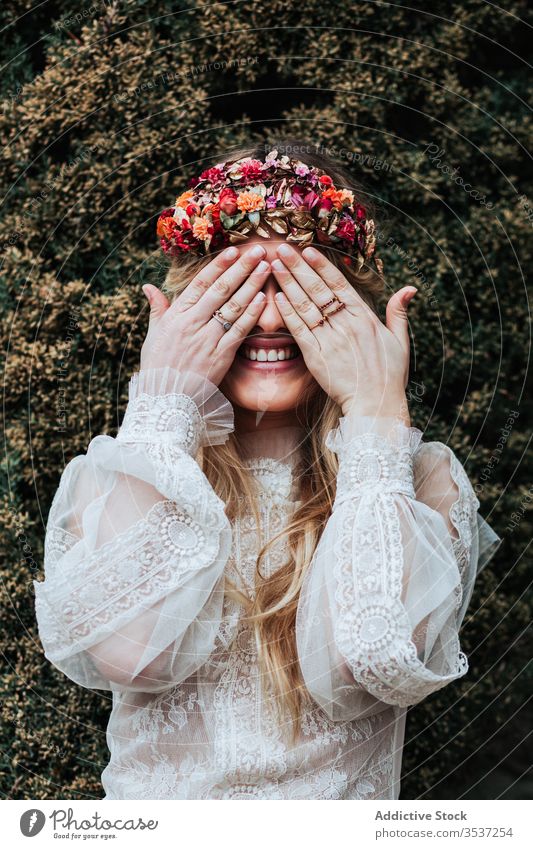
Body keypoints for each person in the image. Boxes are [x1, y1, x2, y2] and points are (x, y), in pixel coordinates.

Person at [34, 141, 501, 800]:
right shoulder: (128, 471)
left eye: (300, 284)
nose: (273, 317)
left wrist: (375, 415)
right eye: (242, 284)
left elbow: (368, 660)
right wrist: (164, 405)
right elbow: (130, 652)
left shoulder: (415, 481)